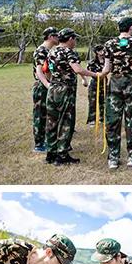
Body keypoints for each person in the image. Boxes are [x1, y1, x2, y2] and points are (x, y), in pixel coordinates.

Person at [44, 27, 99, 165]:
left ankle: (51, 153)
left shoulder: (52, 51)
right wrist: (95, 75)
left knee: (52, 121)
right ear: (70, 39)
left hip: (53, 88)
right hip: (65, 90)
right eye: (75, 39)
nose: (75, 42)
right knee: (66, 121)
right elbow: (77, 69)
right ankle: (62, 155)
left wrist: (51, 82)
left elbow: (47, 70)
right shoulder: (69, 52)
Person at [101, 17, 132, 170]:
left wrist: (98, 76)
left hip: (115, 83)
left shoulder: (109, 44)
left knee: (113, 120)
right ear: (131, 28)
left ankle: (113, 158)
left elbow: (106, 69)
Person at [31, 26, 59, 152]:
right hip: (42, 86)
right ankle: (39, 144)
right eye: (57, 36)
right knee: (40, 115)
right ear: (51, 37)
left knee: (48, 114)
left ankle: (47, 140)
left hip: (48, 84)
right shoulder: (41, 51)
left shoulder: (48, 50)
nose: (59, 38)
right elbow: (39, 71)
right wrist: (47, 85)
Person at [84, 44, 106, 124]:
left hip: (104, 83)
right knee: (92, 102)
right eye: (101, 50)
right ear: (97, 52)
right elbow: (87, 72)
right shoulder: (92, 62)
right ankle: (92, 120)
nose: (103, 52)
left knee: (103, 102)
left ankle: (102, 118)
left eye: (103, 50)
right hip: (94, 83)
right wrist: (84, 80)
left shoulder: (106, 61)